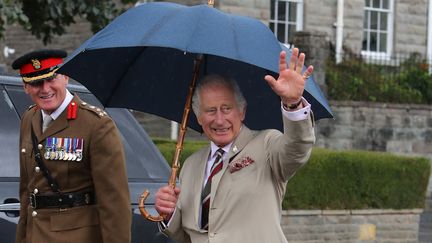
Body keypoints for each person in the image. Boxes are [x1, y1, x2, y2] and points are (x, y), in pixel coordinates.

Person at [154, 48, 316, 243]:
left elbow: (297, 149)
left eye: (227, 108)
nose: (220, 120)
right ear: (198, 117)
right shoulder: (189, 166)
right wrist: (168, 214)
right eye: (211, 110)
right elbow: (188, 236)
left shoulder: (267, 145)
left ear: (242, 111)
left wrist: (292, 104)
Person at [12, 49, 131, 243]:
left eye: (51, 78)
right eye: (35, 83)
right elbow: (27, 191)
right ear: (26, 87)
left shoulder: (96, 124)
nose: (45, 89)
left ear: (65, 76)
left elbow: (114, 202)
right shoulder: (29, 119)